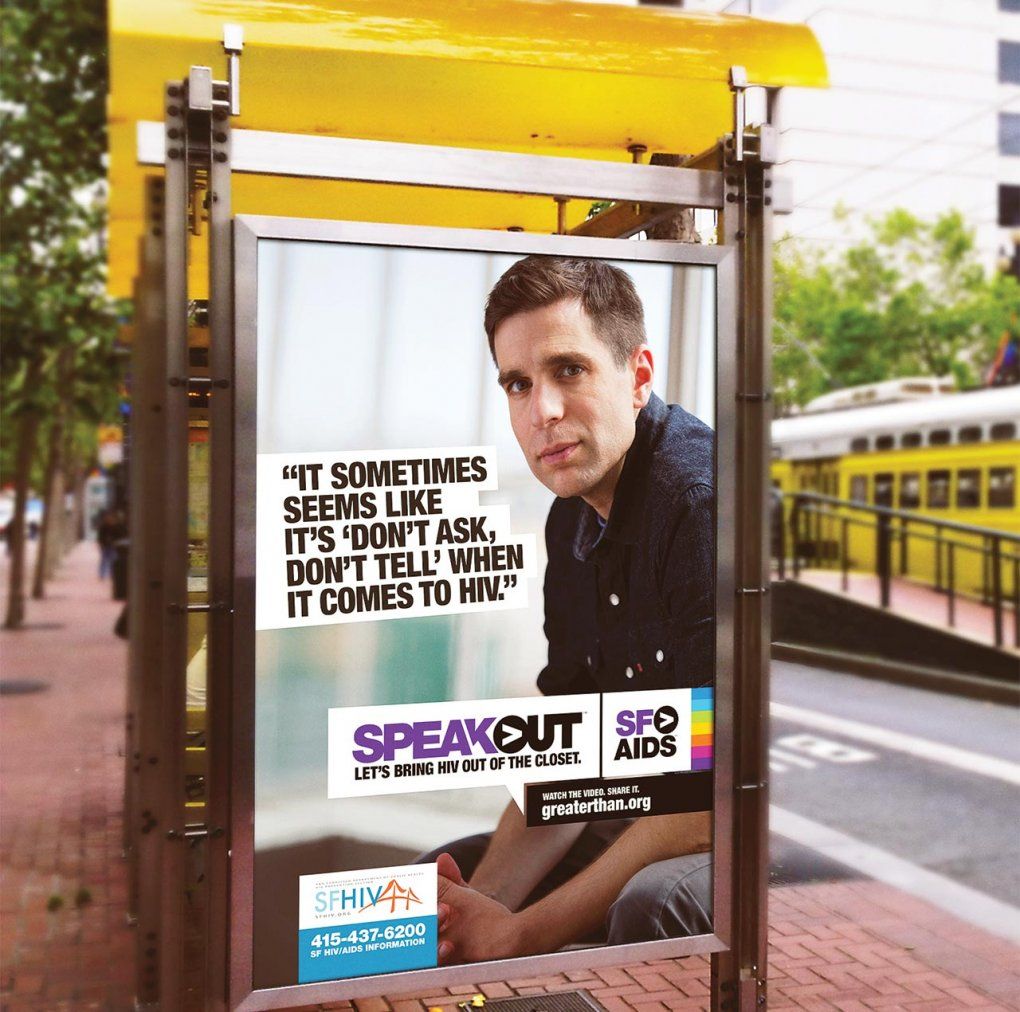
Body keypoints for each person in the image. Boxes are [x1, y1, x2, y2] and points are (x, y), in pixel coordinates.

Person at [429, 256, 715, 964]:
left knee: (655, 903)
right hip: (652, 811)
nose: (542, 412)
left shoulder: (703, 505)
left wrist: (520, 932)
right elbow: (572, 756)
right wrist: (482, 912)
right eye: (518, 385)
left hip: (766, 826)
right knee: (433, 889)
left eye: (569, 371)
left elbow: (706, 801)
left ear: (638, 375)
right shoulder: (574, 516)